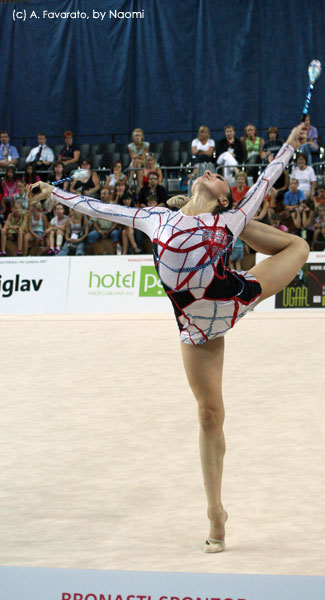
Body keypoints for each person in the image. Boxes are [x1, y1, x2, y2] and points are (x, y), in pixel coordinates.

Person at [28, 123, 309, 554]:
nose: (212, 171)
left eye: (220, 176)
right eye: (212, 172)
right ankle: (216, 512)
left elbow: (268, 176)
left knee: (299, 248)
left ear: (222, 195)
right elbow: (100, 209)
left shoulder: (225, 218)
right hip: (198, 330)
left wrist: (290, 145)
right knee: (209, 415)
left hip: (236, 295)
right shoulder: (155, 217)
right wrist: (54, 194)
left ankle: (245, 223)